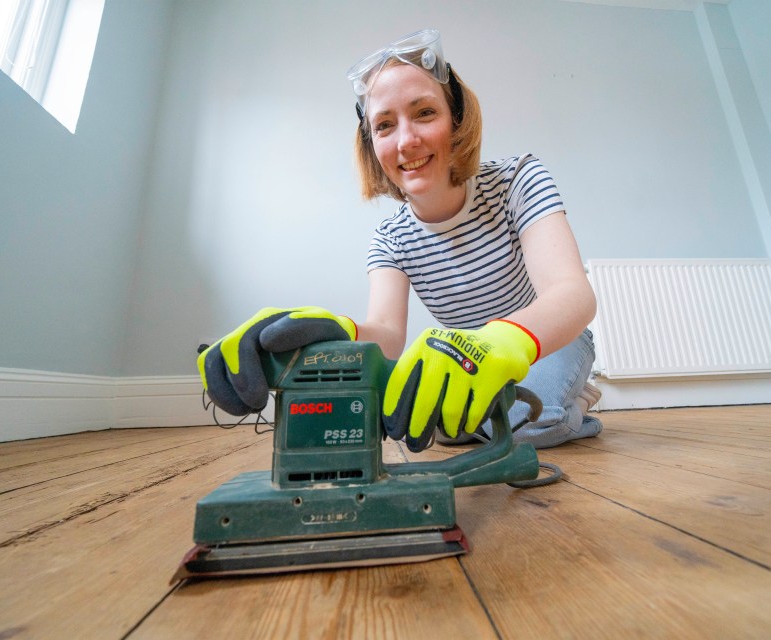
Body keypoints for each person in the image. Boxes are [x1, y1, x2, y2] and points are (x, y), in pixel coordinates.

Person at [198, 29, 602, 452]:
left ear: (457, 119)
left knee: (527, 424)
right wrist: (332, 330)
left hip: (550, 341)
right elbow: (388, 335)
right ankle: (506, 412)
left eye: (424, 113)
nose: (407, 141)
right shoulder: (390, 239)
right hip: (464, 359)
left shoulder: (519, 179)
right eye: (385, 125)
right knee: (445, 428)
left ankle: (574, 401)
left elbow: (572, 295)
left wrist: (498, 341)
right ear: (372, 145)